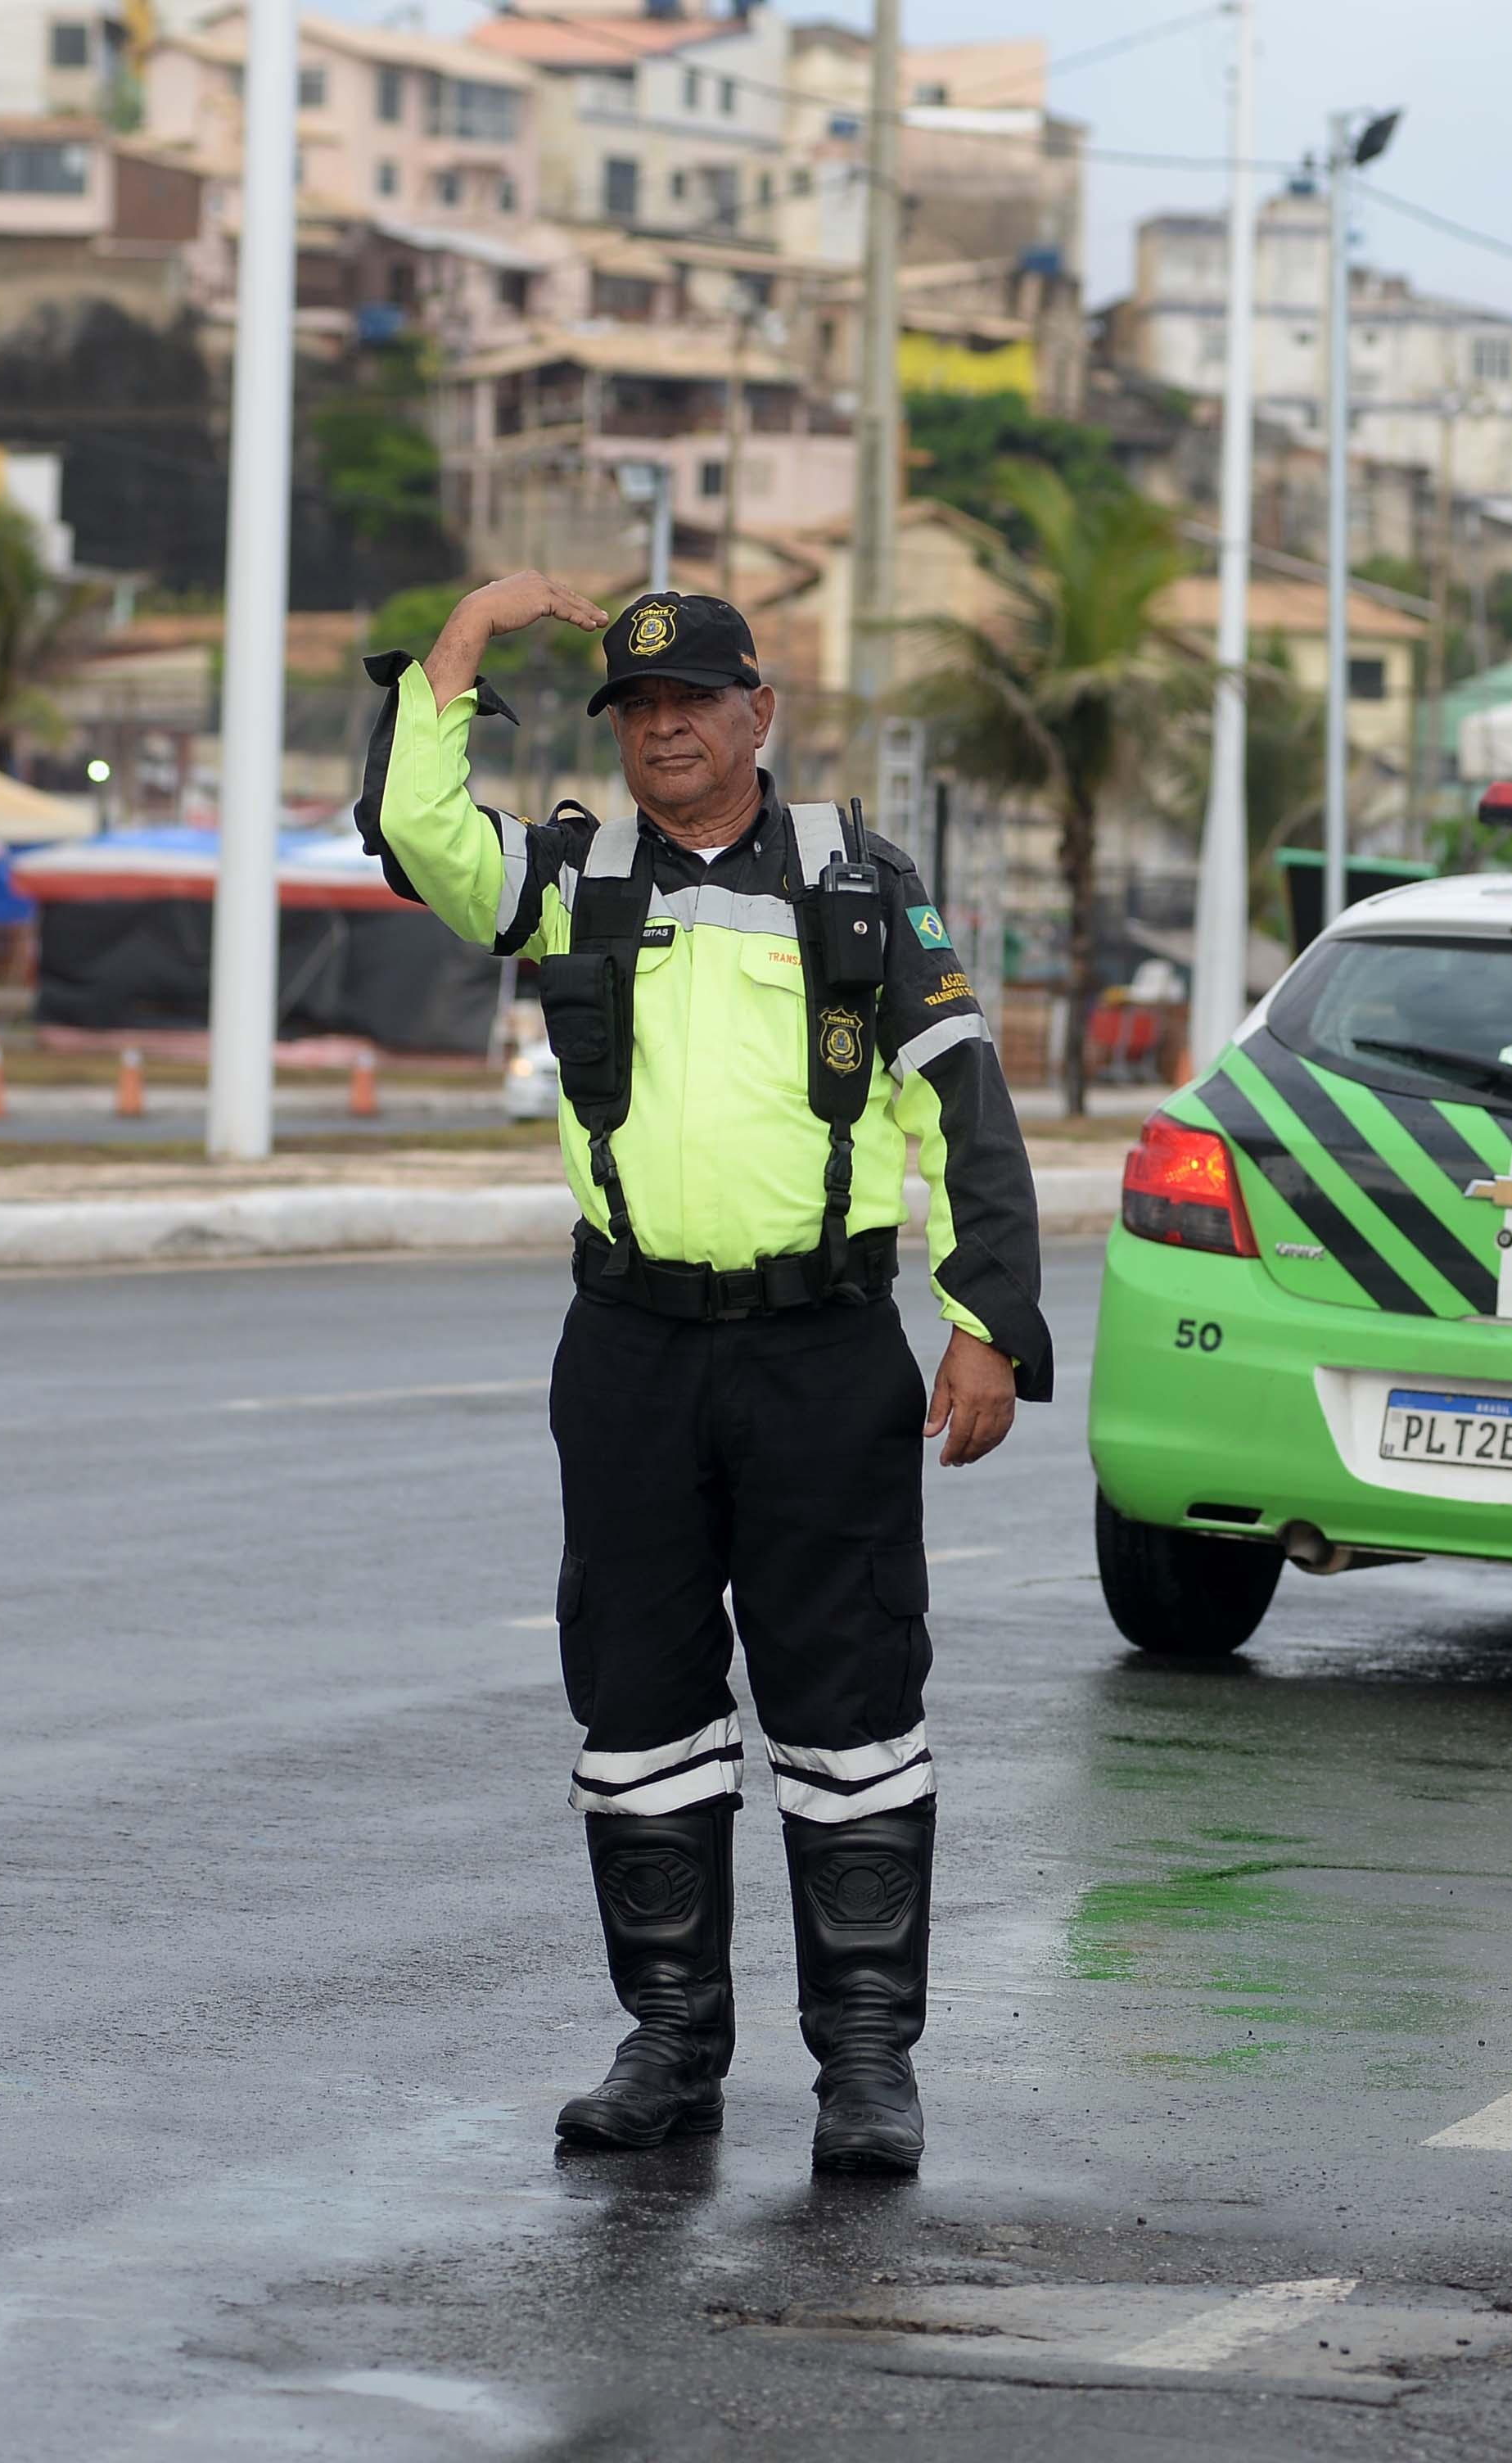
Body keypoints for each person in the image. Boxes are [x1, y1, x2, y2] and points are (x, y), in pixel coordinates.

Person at [359, 576, 1050, 2176]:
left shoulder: (858, 888)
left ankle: (866, 2066)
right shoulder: (569, 877)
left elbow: (968, 1111)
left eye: (695, 700)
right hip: (630, 1353)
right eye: (636, 709)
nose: (664, 727)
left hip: (822, 1354)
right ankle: (670, 2044)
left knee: (850, 1704)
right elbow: (420, 832)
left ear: (761, 713)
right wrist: (464, 634)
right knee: (640, 1704)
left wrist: (984, 1322)